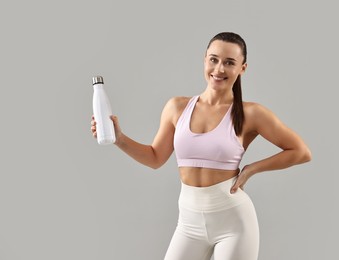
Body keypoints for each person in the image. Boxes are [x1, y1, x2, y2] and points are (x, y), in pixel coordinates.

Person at [91, 32, 311, 260]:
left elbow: (301, 151)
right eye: (214, 59)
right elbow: (155, 158)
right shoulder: (177, 107)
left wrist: (251, 169)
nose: (219, 69)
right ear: (205, 59)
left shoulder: (251, 113)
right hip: (189, 223)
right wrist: (119, 138)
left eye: (229, 63)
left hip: (234, 223)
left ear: (242, 68)